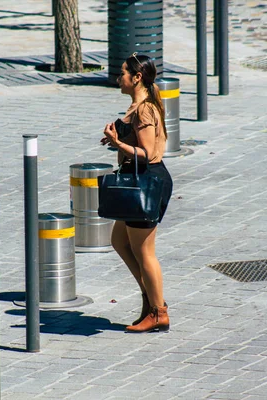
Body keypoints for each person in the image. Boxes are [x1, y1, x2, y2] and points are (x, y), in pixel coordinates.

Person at [100, 53, 173, 333]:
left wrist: (119, 143)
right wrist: (117, 138)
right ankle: (149, 297)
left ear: (137, 77)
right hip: (139, 179)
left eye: (123, 74)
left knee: (145, 252)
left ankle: (158, 311)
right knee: (120, 240)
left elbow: (149, 153)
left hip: (147, 181)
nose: (119, 78)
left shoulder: (145, 110)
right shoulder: (138, 106)